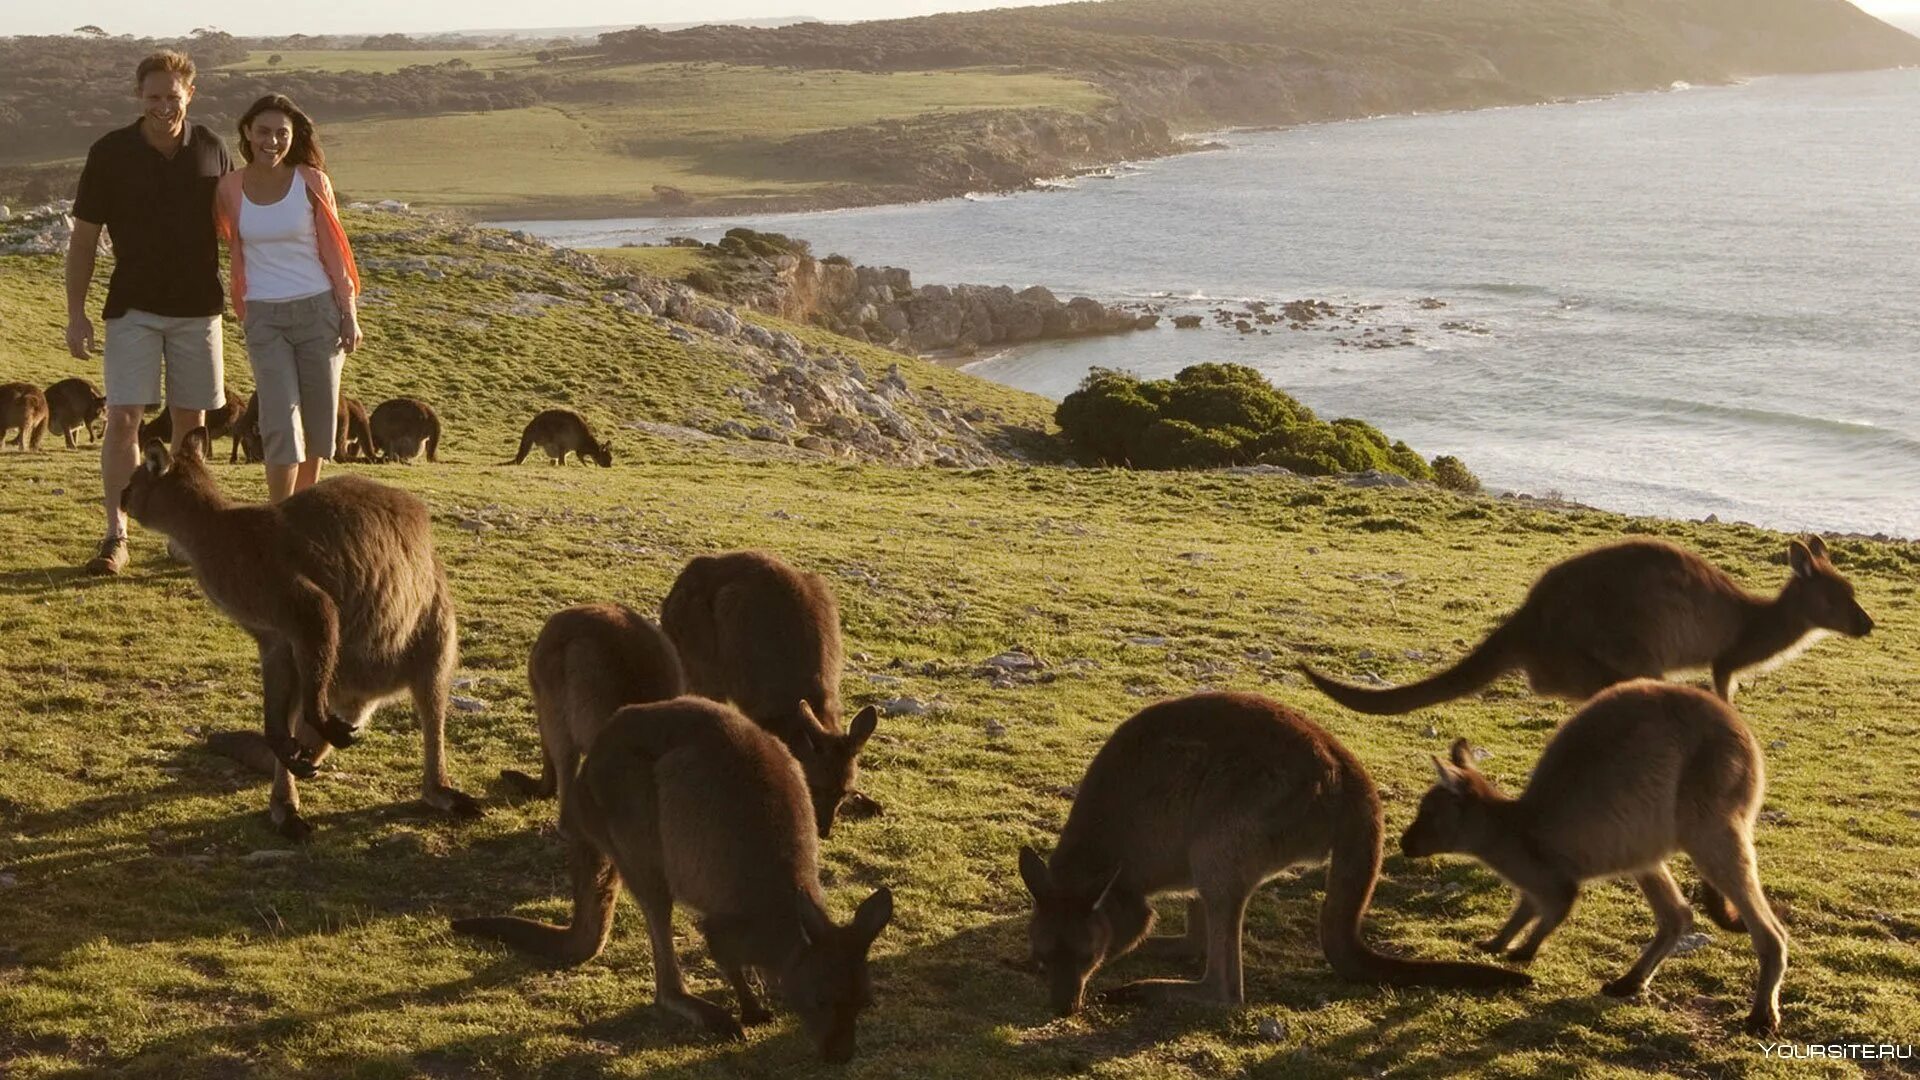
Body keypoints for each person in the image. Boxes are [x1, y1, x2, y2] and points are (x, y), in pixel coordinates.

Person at [66, 51, 232, 575]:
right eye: (154, 96)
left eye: (173, 96)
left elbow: (238, 229)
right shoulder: (110, 152)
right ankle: (116, 536)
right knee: (122, 420)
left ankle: (185, 536)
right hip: (131, 308)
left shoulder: (212, 149)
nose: (163, 106)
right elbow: (85, 242)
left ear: (191, 95)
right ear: (139, 96)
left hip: (198, 309)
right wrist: (76, 313)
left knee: (191, 424)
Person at [213, 94, 362, 501]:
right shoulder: (229, 188)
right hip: (263, 316)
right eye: (264, 132)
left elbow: (334, 249)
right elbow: (224, 236)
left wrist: (348, 312)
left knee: (318, 423)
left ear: (293, 137)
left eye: (282, 133)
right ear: (247, 132)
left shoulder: (312, 181)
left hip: (319, 311)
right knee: (279, 419)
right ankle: (279, 516)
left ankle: (302, 515)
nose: (272, 141)